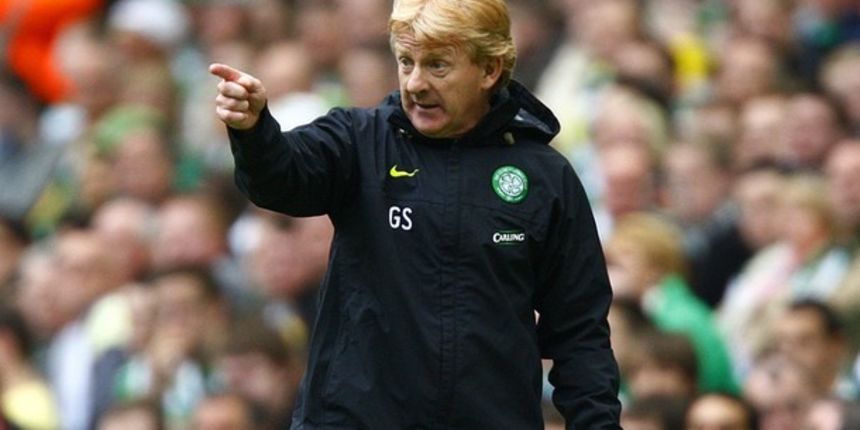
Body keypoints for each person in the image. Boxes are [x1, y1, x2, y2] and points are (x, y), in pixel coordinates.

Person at [210, 0, 621, 428]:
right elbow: (281, 179)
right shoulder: (359, 142)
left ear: (489, 69)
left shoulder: (545, 178)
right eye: (406, 62)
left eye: (437, 66)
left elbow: (580, 333)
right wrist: (254, 131)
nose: (416, 83)